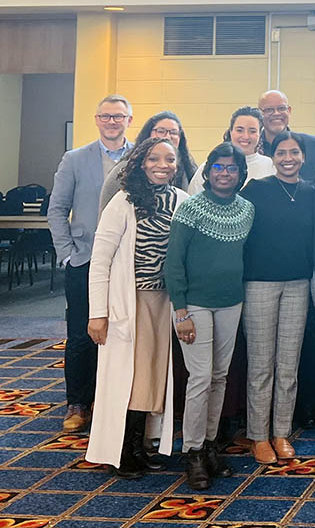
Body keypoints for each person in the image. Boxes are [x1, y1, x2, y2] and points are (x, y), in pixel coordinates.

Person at [85, 137, 188, 478]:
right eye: (155, 158)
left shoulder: (181, 201)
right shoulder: (123, 201)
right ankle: (123, 450)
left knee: (152, 377)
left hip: (164, 303)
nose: (163, 164)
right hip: (129, 304)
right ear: (141, 163)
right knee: (129, 379)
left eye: (170, 159)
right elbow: (100, 260)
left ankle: (140, 446)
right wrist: (97, 313)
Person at [166, 143, 255, 490]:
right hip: (195, 306)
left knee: (219, 376)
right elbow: (173, 263)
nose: (224, 173)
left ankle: (211, 444)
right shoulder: (190, 209)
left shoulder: (247, 209)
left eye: (231, 168)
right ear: (207, 171)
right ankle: (193, 452)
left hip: (231, 302)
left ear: (240, 173)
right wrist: (181, 311)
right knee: (200, 378)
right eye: (218, 167)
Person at [48, 94, 134, 432]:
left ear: (129, 120)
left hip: (127, 261)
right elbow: (56, 210)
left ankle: (115, 400)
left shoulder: (139, 157)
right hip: (84, 259)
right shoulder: (74, 159)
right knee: (83, 334)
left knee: (121, 333)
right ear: (97, 120)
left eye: (119, 117)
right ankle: (78, 403)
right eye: (106, 116)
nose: (112, 122)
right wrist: (67, 252)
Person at [239, 132, 314, 465]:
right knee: (260, 366)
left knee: (288, 365)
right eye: (281, 152)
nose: (288, 158)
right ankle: (258, 436)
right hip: (259, 285)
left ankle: (281, 431)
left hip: (299, 284)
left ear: (303, 156)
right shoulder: (257, 189)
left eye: (294, 152)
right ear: (272, 156)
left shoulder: (312, 191)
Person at [99, 111, 197, 214]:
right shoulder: (126, 169)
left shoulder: (188, 169)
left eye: (173, 132)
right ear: (148, 134)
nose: (167, 136)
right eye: (160, 131)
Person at [188, 106, 274, 194]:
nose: (245, 136)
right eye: (239, 130)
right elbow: (193, 197)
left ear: (260, 133)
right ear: (231, 131)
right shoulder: (212, 165)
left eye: (252, 131)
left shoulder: (270, 166)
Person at [257, 90, 315, 183]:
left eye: (281, 108)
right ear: (259, 113)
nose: (276, 113)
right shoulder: (252, 148)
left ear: (289, 110)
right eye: (269, 110)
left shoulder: (313, 145)